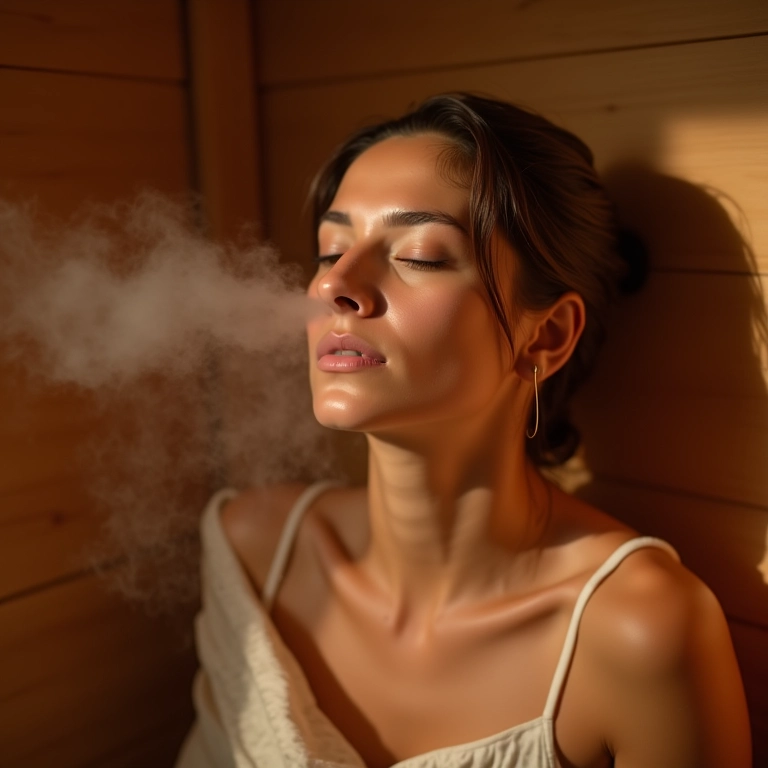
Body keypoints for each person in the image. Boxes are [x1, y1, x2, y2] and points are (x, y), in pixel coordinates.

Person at [175, 93, 751, 768]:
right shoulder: (253, 549)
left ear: (547, 336)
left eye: (420, 256)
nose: (335, 286)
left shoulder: (640, 631)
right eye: (331, 250)